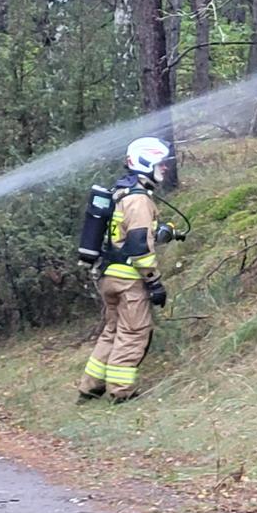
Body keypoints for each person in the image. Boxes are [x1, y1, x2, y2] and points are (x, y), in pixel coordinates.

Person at [78, 137, 175, 403]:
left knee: (113, 330)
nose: (165, 169)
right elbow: (139, 247)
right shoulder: (139, 200)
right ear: (146, 163)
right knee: (133, 333)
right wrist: (154, 282)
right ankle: (121, 392)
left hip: (110, 277)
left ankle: (90, 387)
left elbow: (126, 235)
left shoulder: (122, 194)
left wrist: (161, 232)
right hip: (130, 280)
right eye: (160, 164)